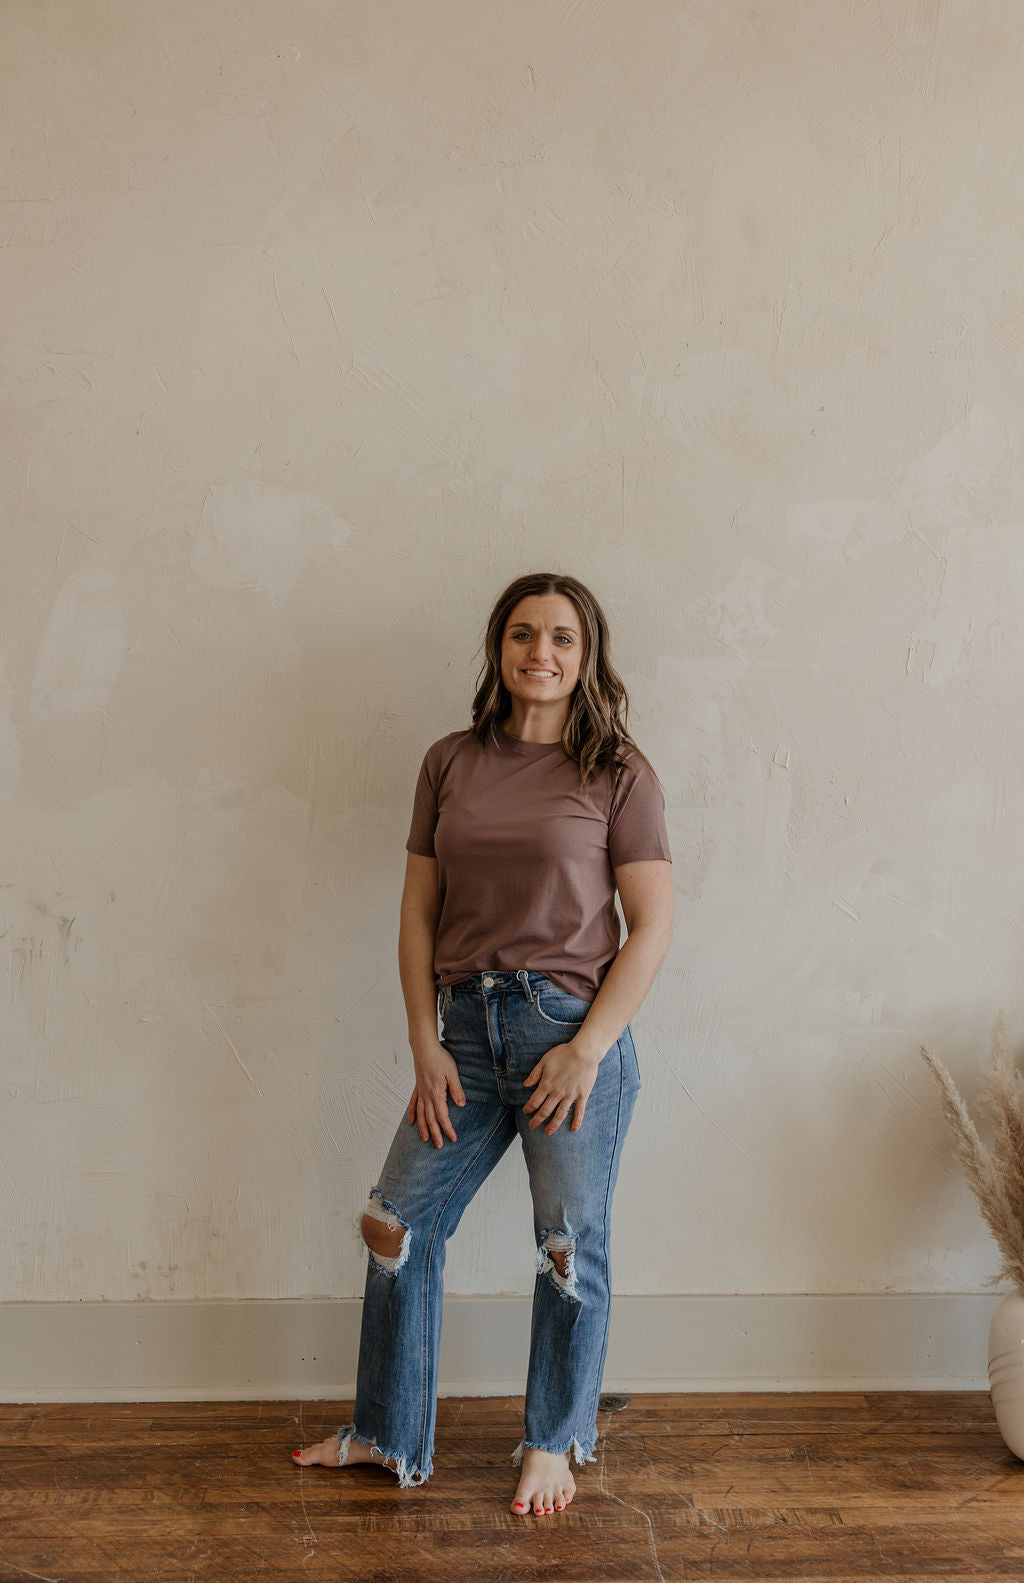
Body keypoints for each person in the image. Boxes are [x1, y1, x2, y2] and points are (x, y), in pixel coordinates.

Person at [293, 570, 673, 1516]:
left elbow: (654, 925)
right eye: (522, 634)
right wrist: (424, 1039)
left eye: (561, 637)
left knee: (566, 1246)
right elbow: (418, 912)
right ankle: (387, 1431)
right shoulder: (449, 762)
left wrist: (588, 1048)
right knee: (394, 1223)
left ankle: (553, 1440)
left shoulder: (618, 772)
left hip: (566, 1034)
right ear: (499, 648)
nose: (540, 652)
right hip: (462, 1032)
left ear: (587, 657)